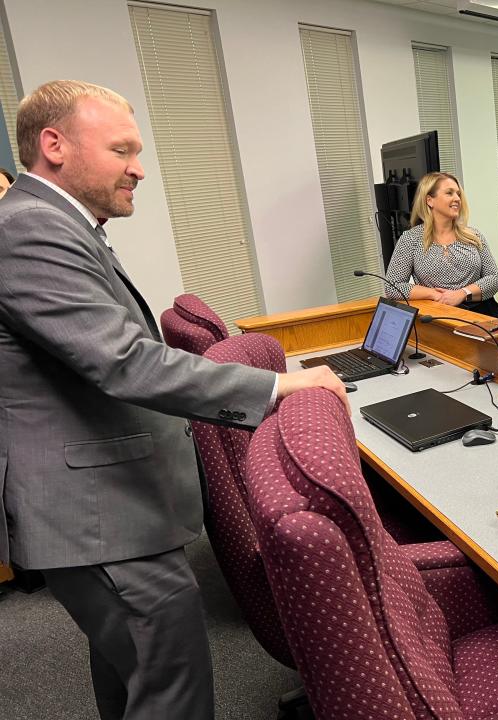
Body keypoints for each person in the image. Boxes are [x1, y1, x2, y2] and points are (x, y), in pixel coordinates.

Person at [0, 80, 347, 720]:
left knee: (135, 681)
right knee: (172, 696)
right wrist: (275, 385)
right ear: (54, 145)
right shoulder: (30, 230)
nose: (139, 169)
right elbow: (124, 361)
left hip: (106, 513)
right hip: (97, 520)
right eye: (122, 150)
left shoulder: (58, 223)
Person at [385, 171, 498, 317]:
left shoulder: (474, 236)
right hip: (439, 317)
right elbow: (392, 287)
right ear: (430, 200)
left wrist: (462, 294)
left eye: (458, 194)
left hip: (483, 314)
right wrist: (433, 294)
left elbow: (494, 278)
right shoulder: (411, 239)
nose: (457, 198)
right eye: (449, 193)